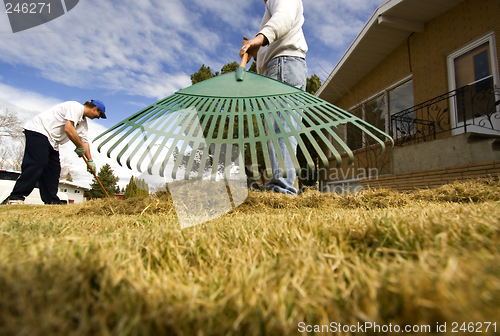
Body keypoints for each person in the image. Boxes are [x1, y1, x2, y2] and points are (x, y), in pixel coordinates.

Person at [240, 0, 308, 195]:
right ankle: (280, 186)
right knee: (278, 130)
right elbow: (278, 29)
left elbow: (284, 17)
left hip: (283, 67)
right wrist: (258, 48)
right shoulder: (269, 7)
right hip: (281, 67)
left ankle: (282, 189)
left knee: (281, 129)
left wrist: (259, 38)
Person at [6, 100, 106, 205]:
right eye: (100, 114)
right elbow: (69, 129)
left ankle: (52, 201)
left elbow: (84, 142)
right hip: (39, 131)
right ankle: (16, 197)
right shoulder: (75, 106)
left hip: (53, 141)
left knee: (53, 171)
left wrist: (90, 161)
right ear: (95, 108)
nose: (99, 117)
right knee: (38, 163)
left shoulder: (83, 124)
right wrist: (79, 146)